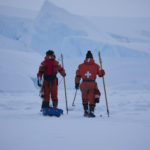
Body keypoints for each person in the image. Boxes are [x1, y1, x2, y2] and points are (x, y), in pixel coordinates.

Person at [75, 50, 105, 117]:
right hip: (92, 84)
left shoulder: (80, 66)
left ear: (85, 58)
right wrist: (103, 72)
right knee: (92, 98)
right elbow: (100, 74)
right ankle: (91, 111)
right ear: (92, 58)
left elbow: (77, 75)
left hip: (84, 84)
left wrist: (77, 83)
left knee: (84, 97)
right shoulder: (96, 66)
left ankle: (85, 111)